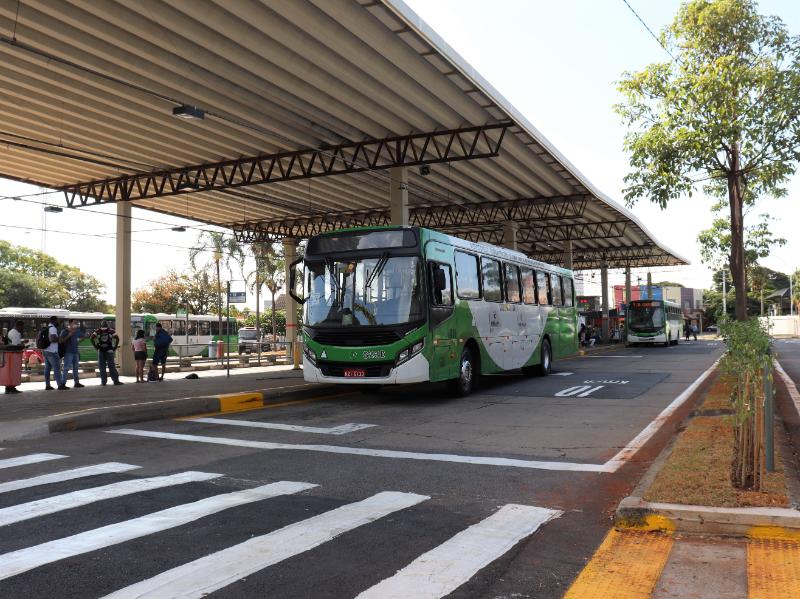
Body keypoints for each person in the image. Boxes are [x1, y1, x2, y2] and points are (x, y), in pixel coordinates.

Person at [91, 320, 123, 386]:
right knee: (112, 366)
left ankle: (103, 382)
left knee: (102, 367)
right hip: (110, 351)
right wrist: (115, 347)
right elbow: (117, 338)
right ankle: (116, 381)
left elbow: (91, 338)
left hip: (101, 351)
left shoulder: (98, 331)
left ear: (101, 325)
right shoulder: (111, 331)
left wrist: (96, 346)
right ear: (107, 325)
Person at [41, 315, 66, 390]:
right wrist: (59, 338)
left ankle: (47, 385)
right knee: (57, 369)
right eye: (57, 321)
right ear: (54, 321)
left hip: (46, 350)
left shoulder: (47, 327)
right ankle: (60, 385)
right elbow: (53, 339)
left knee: (47, 369)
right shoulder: (53, 328)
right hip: (52, 351)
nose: (58, 322)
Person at [60, 319, 85, 389]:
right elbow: (61, 340)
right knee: (66, 368)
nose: (76, 324)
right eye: (74, 323)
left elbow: (83, 336)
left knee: (76, 368)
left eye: (76, 323)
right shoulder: (65, 331)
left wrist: (78, 342)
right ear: (70, 324)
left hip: (75, 352)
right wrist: (69, 335)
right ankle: (62, 384)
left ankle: (76, 383)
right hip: (68, 352)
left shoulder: (77, 331)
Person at [4, 320, 25, 394]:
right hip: (14, 356)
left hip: (10, 356)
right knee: (14, 371)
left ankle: (8, 387)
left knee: (9, 372)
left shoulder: (10, 331)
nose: (22, 328)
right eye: (22, 327)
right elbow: (15, 346)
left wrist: (21, 342)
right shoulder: (16, 333)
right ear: (19, 326)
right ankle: (11, 388)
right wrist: (23, 345)